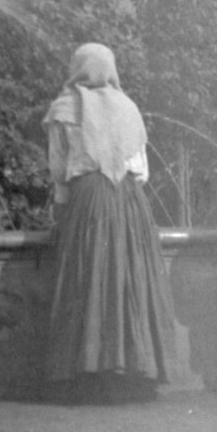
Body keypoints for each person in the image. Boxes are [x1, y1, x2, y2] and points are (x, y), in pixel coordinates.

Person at [38, 42, 177, 403]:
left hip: (88, 201)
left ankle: (87, 373)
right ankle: (133, 372)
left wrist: (62, 210)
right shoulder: (129, 107)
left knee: (87, 277)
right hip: (130, 201)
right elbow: (142, 171)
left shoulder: (64, 107)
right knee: (131, 277)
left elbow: (58, 169)